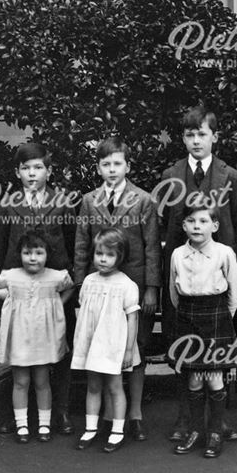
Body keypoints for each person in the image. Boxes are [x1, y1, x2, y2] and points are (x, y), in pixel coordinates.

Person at [160, 106, 237, 443]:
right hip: (183, 279)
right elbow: (166, 223)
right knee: (185, 350)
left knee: (215, 354)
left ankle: (218, 422)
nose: (196, 140)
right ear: (183, 138)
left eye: (202, 134)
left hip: (216, 280)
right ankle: (187, 418)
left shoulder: (230, 176)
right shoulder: (171, 175)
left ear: (214, 136)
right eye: (189, 134)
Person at [74, 137, 160, 442]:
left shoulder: (144, 200)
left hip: (133, 288)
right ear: (98, 167)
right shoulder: (88, 201)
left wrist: (151, 289)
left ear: (128, 166)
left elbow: (152, 247)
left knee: (134, 351)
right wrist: (79, 286)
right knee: (101, 350)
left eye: (118, 164)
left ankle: (133, 413)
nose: (112, 170)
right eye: (106, 164)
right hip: (98, 292)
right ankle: (110, 416)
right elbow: (82, 245)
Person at [0, 142, 76, 436]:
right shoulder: (8, 204)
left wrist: (67, 286)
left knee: (59, 351)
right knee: (19, 352)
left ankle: (61, 411)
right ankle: (18, 415)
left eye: (38, 167)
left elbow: (70, 240)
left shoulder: (63, 202)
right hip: (21, 292)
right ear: (17, 172)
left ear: (49, 171)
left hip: (54, 292)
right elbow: (1, 246)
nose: (32, 173)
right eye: (26, 168)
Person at [169, 197, 237, 458]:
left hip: (216, 317)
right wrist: (188, 314)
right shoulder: (178, 254)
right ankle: (196, 430)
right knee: (194, 379)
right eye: (191, 221)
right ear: (184, 225)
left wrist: (222, 317)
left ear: (215, 225)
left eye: (203, 221)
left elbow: (235, 292)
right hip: (188, 316)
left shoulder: (224, 253)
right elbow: (173, 293)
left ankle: (215, 432)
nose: (197, 226)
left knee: (213, 378)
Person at [0, 231, 74, 444]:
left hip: (42, 339)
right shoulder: (12, 275)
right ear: (20, 254)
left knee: (42, 381)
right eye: (27, 253)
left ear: (47, 254)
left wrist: (57, 304)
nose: (33, 258)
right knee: (21, 381)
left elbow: (70, 287)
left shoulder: (55, 276)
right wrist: (5, 296)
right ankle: (22, 424)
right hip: (20, 338)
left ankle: (44, 424)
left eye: (38, 252)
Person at [71, 228, 140, 454]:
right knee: (93, 385)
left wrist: (128, 350)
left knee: (115, 386)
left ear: (120, 256)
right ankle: (91, 428)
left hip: (114, 345)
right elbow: (84, 313)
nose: (102, 259)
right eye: (99, 253)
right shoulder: (89, 281)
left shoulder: (126, 285)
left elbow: (132, 319)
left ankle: (117, 430)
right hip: (93, 344)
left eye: (109, 255)